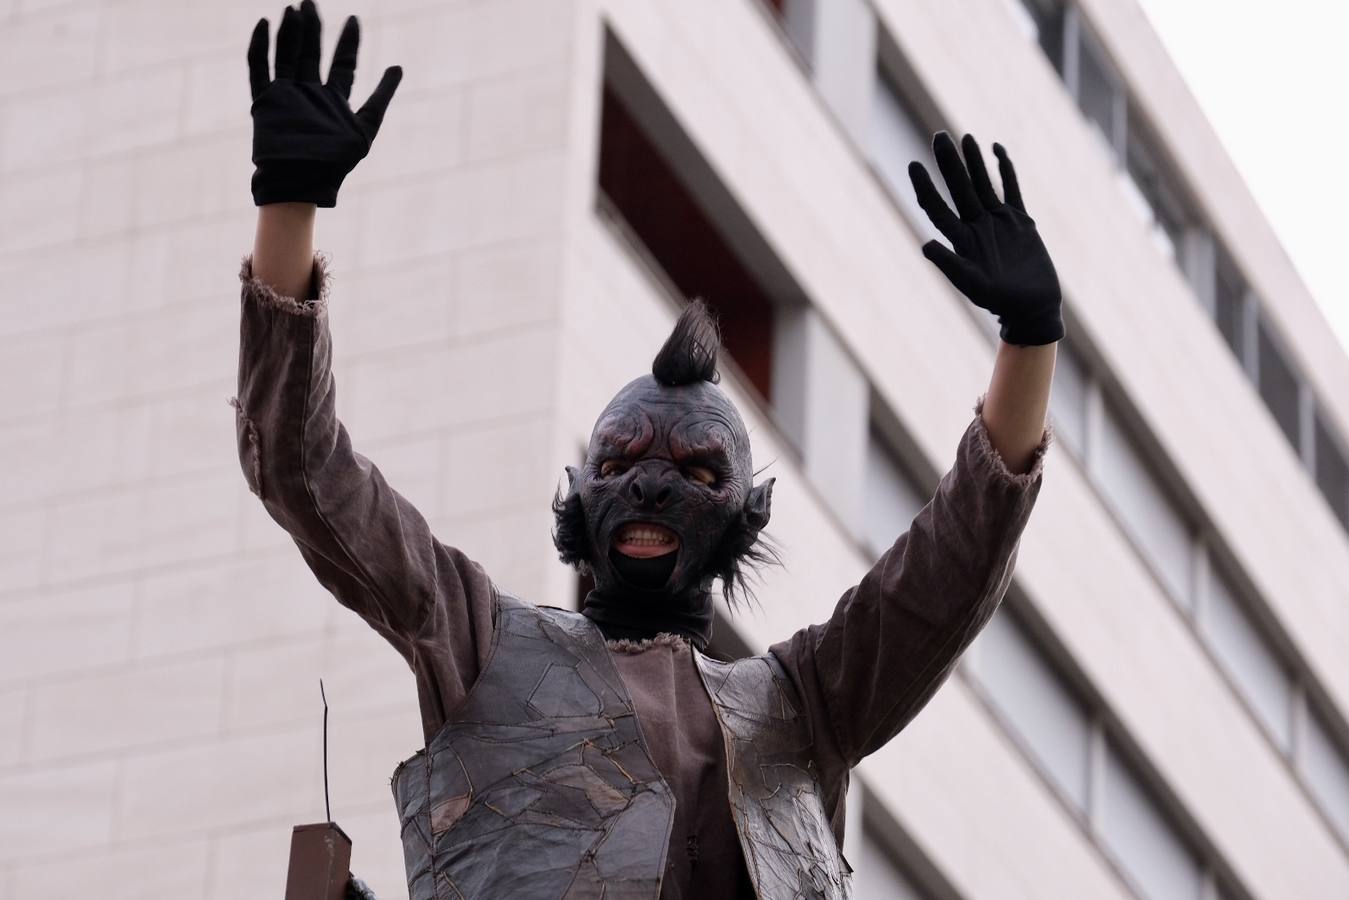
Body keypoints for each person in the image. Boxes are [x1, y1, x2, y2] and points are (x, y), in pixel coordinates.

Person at [234, 2, 1060, 898]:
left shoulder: (803, 706)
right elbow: (301, 466)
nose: (651, 489)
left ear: (748, 515)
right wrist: (290, 205)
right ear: (581, 496)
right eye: (620, 464)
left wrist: (1029, 339)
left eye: (697, 471)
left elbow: (946, 576)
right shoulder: (480, 640)